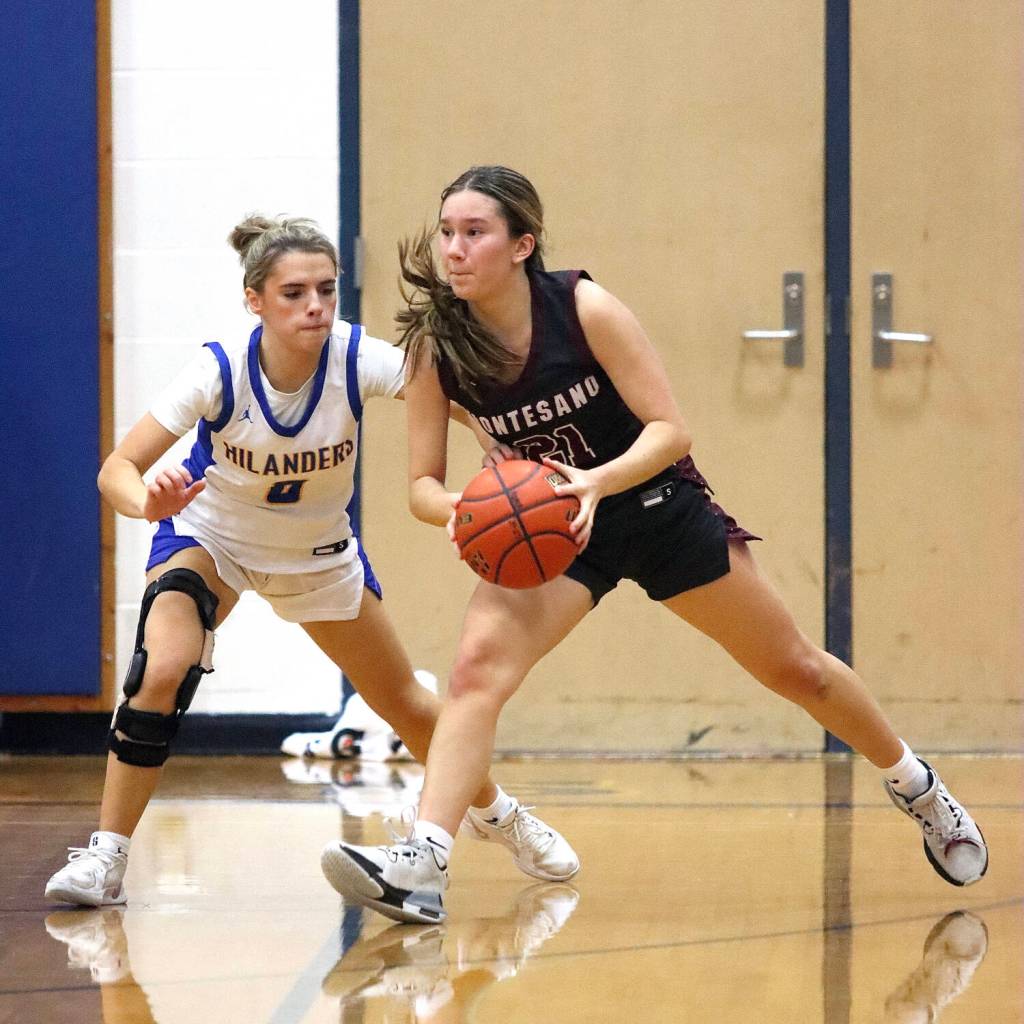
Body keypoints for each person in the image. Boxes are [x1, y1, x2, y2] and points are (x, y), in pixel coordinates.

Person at [320, 166, 989, 924]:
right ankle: (426, 860)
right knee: (476, 671)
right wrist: (466, 509)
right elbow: (420, 486)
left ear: (522, 244)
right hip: (552, 534)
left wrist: (595, 482)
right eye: (447, 232)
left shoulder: (582, 308)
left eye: (474, 233)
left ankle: (917, 787)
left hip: (654, 503)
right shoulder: (437, 345)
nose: (455, 249)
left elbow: (671, 430)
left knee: (797, 668)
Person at [44, 214, 579, 912]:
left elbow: (448, 394)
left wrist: (499, 446)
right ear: (255, 300)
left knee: (410, 708)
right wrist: (145, 500)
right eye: (294, 293)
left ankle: (497, 813)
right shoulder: (220, 369)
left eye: (326, 290)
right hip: (214, 542)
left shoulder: (357, 357)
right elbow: (117, 467)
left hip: (317, 555)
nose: (316, 306)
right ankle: (106, 858)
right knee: (160, 671)